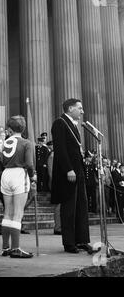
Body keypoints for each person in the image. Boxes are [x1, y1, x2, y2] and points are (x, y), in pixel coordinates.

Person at [51, 98, 96, 254]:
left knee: (81, 207)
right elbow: (60, 149)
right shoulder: (60, 123)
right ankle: (69, 243)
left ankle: (82, 240)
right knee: (69, 208)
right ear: (70, 108)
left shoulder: (73, 125)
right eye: (80, 108)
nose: (82, 111)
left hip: (79, 172)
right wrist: (69, 169)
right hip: (68, 173)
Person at [0, 116, 36, 258]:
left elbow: (2, 159)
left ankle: (5, 247)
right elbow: (29, 163)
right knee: (18, 213)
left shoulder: (5, 142)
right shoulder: (26, 143)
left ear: (10, 128)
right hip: (19, 174)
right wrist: (32, 176)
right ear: (23, 128)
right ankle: (16, 248)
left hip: (6, 173)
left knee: (7, 212)